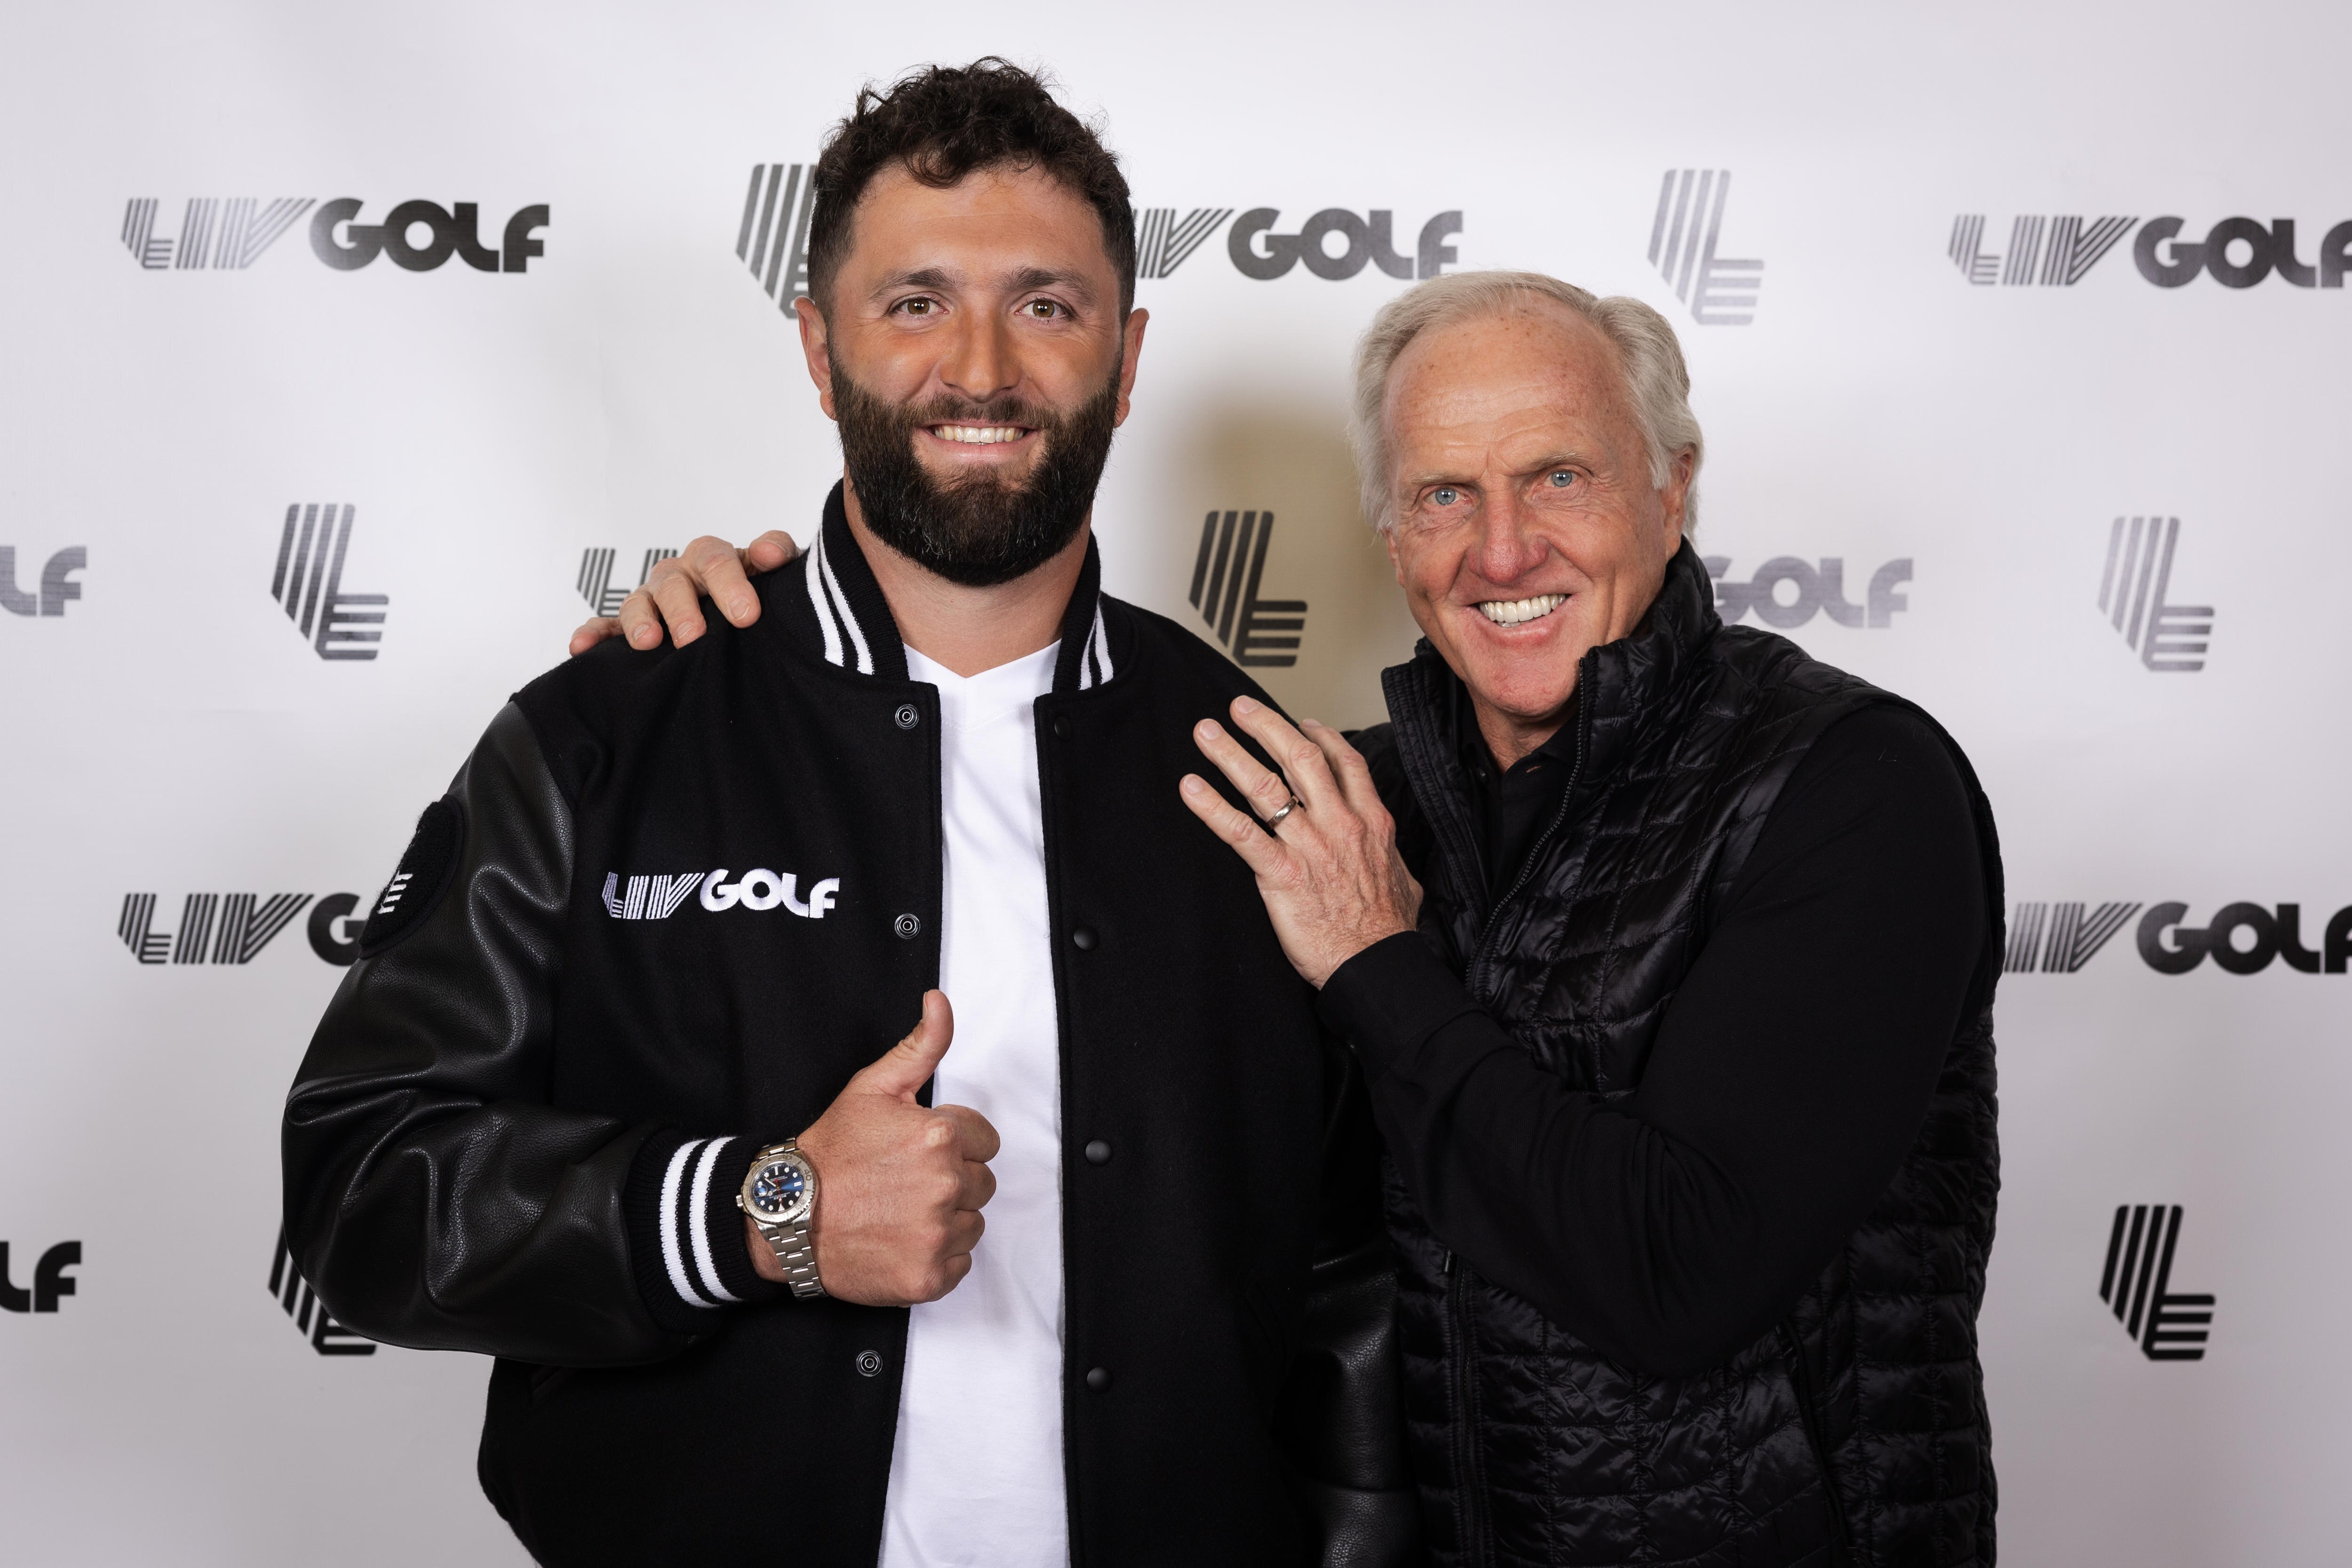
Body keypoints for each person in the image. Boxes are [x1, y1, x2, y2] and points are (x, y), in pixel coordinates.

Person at [619, 273, 2004, 1568]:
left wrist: (1374, 961)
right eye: (1443, 494)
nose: (1501, 546)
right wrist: (740, 661)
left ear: (1672, 484)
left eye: (1559, 477)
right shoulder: (1341, 796)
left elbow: (1676, 1275)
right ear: (1388, 530)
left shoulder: (1848, 785)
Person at [282, 60, 1415, 1568]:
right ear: (818, 348)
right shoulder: (612, 730)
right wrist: (767, 1212)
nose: (982, 367)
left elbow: (1349, 1272)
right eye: (914, 302)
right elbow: (363, 1192)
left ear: (1129, 358)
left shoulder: (1260, 768)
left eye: (1048, 305)